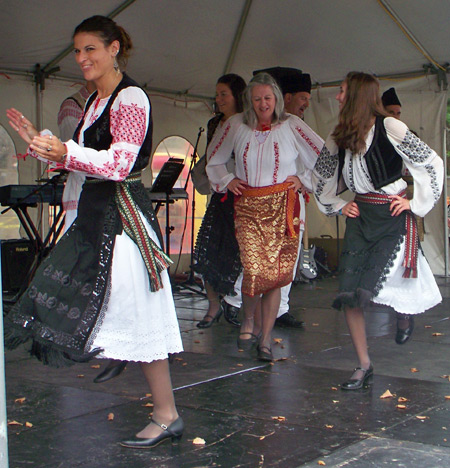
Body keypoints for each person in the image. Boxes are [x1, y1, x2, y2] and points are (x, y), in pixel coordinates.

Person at [5, 15, 184, 448]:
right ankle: (121, 355)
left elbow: (120, 164)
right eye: (78, 50)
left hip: (121, 218)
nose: (82, 58)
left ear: (114, 49)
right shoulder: (94, 103)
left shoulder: (131, 98)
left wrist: (66, 148)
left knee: (138, 309)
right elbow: (84, 158)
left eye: (90, 49)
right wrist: (44, 143)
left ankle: (167, 414)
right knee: (105, 300)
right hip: (94, 214)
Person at [312, 71, 443, 391]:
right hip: (360, 215)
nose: (338, 97)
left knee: (389, 281)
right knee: (350, 292)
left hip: (389, 213)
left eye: (342, 91)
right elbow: (321, 171)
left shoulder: (390, 126)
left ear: (357, 94)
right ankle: (363, 364)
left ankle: (404, 315)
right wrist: (337, 204)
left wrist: (414, 202)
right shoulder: (340, 133)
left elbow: (431, 162)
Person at [206, 72, 323, 361]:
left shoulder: (292, 125)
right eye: (257, 98)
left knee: (277, 276)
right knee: (254, 269)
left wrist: (303, 180)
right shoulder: (235, 125)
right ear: (249, 100)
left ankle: (266, 338)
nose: (262, 104)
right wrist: (227, 180)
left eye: (267, 98)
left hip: (284, 206)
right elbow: (214, 158)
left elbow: (323, 156)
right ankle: (248, 321)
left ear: (277, 100)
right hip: (248, 205)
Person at [58, 81, 127, 383]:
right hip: (82, 192)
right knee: (80, 265)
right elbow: (75, 150)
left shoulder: (118, 100)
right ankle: (75, 334)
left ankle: (94, 335)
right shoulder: (75, 105)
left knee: (101, 266)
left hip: (103, 194)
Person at [193, 73, 246, 329]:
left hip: (242, 196)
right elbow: (210, 158)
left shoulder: (248, 123)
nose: (219, 99)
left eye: (224, 94)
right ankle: (213, 306)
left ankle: (233, 304)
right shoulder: (214, 123)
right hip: (219, 195)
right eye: (217, 94)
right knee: (208, 251)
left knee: (239, 254)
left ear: (237, 96)